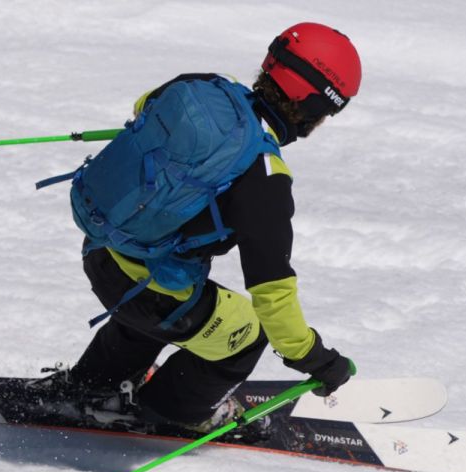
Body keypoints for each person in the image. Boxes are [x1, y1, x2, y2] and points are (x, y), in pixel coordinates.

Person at [50, 22, 362, 433]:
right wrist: (318, 359)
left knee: (165, 288)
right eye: (329, 112)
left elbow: (146, 105)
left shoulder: (203, 87)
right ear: (312, 106)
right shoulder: (265, 178)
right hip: (146, 292)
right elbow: (274, 298)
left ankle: (93, 385)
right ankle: (172, 412)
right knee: (247, 331)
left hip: (101, 250)